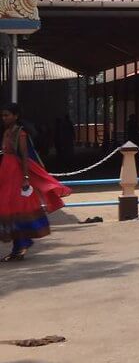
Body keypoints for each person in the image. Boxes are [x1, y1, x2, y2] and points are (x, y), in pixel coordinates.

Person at [0, 103, 72, 262]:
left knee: (17, 208)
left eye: (7, 115)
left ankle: (21, 245)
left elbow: (25, 157)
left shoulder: (21, 133)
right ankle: (18, 247)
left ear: (16, 116)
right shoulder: (6, 132)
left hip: (16, 175)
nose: (4, 118)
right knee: (8, 209)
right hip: (6, 173)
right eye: (3, 115)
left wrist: (26, 178)